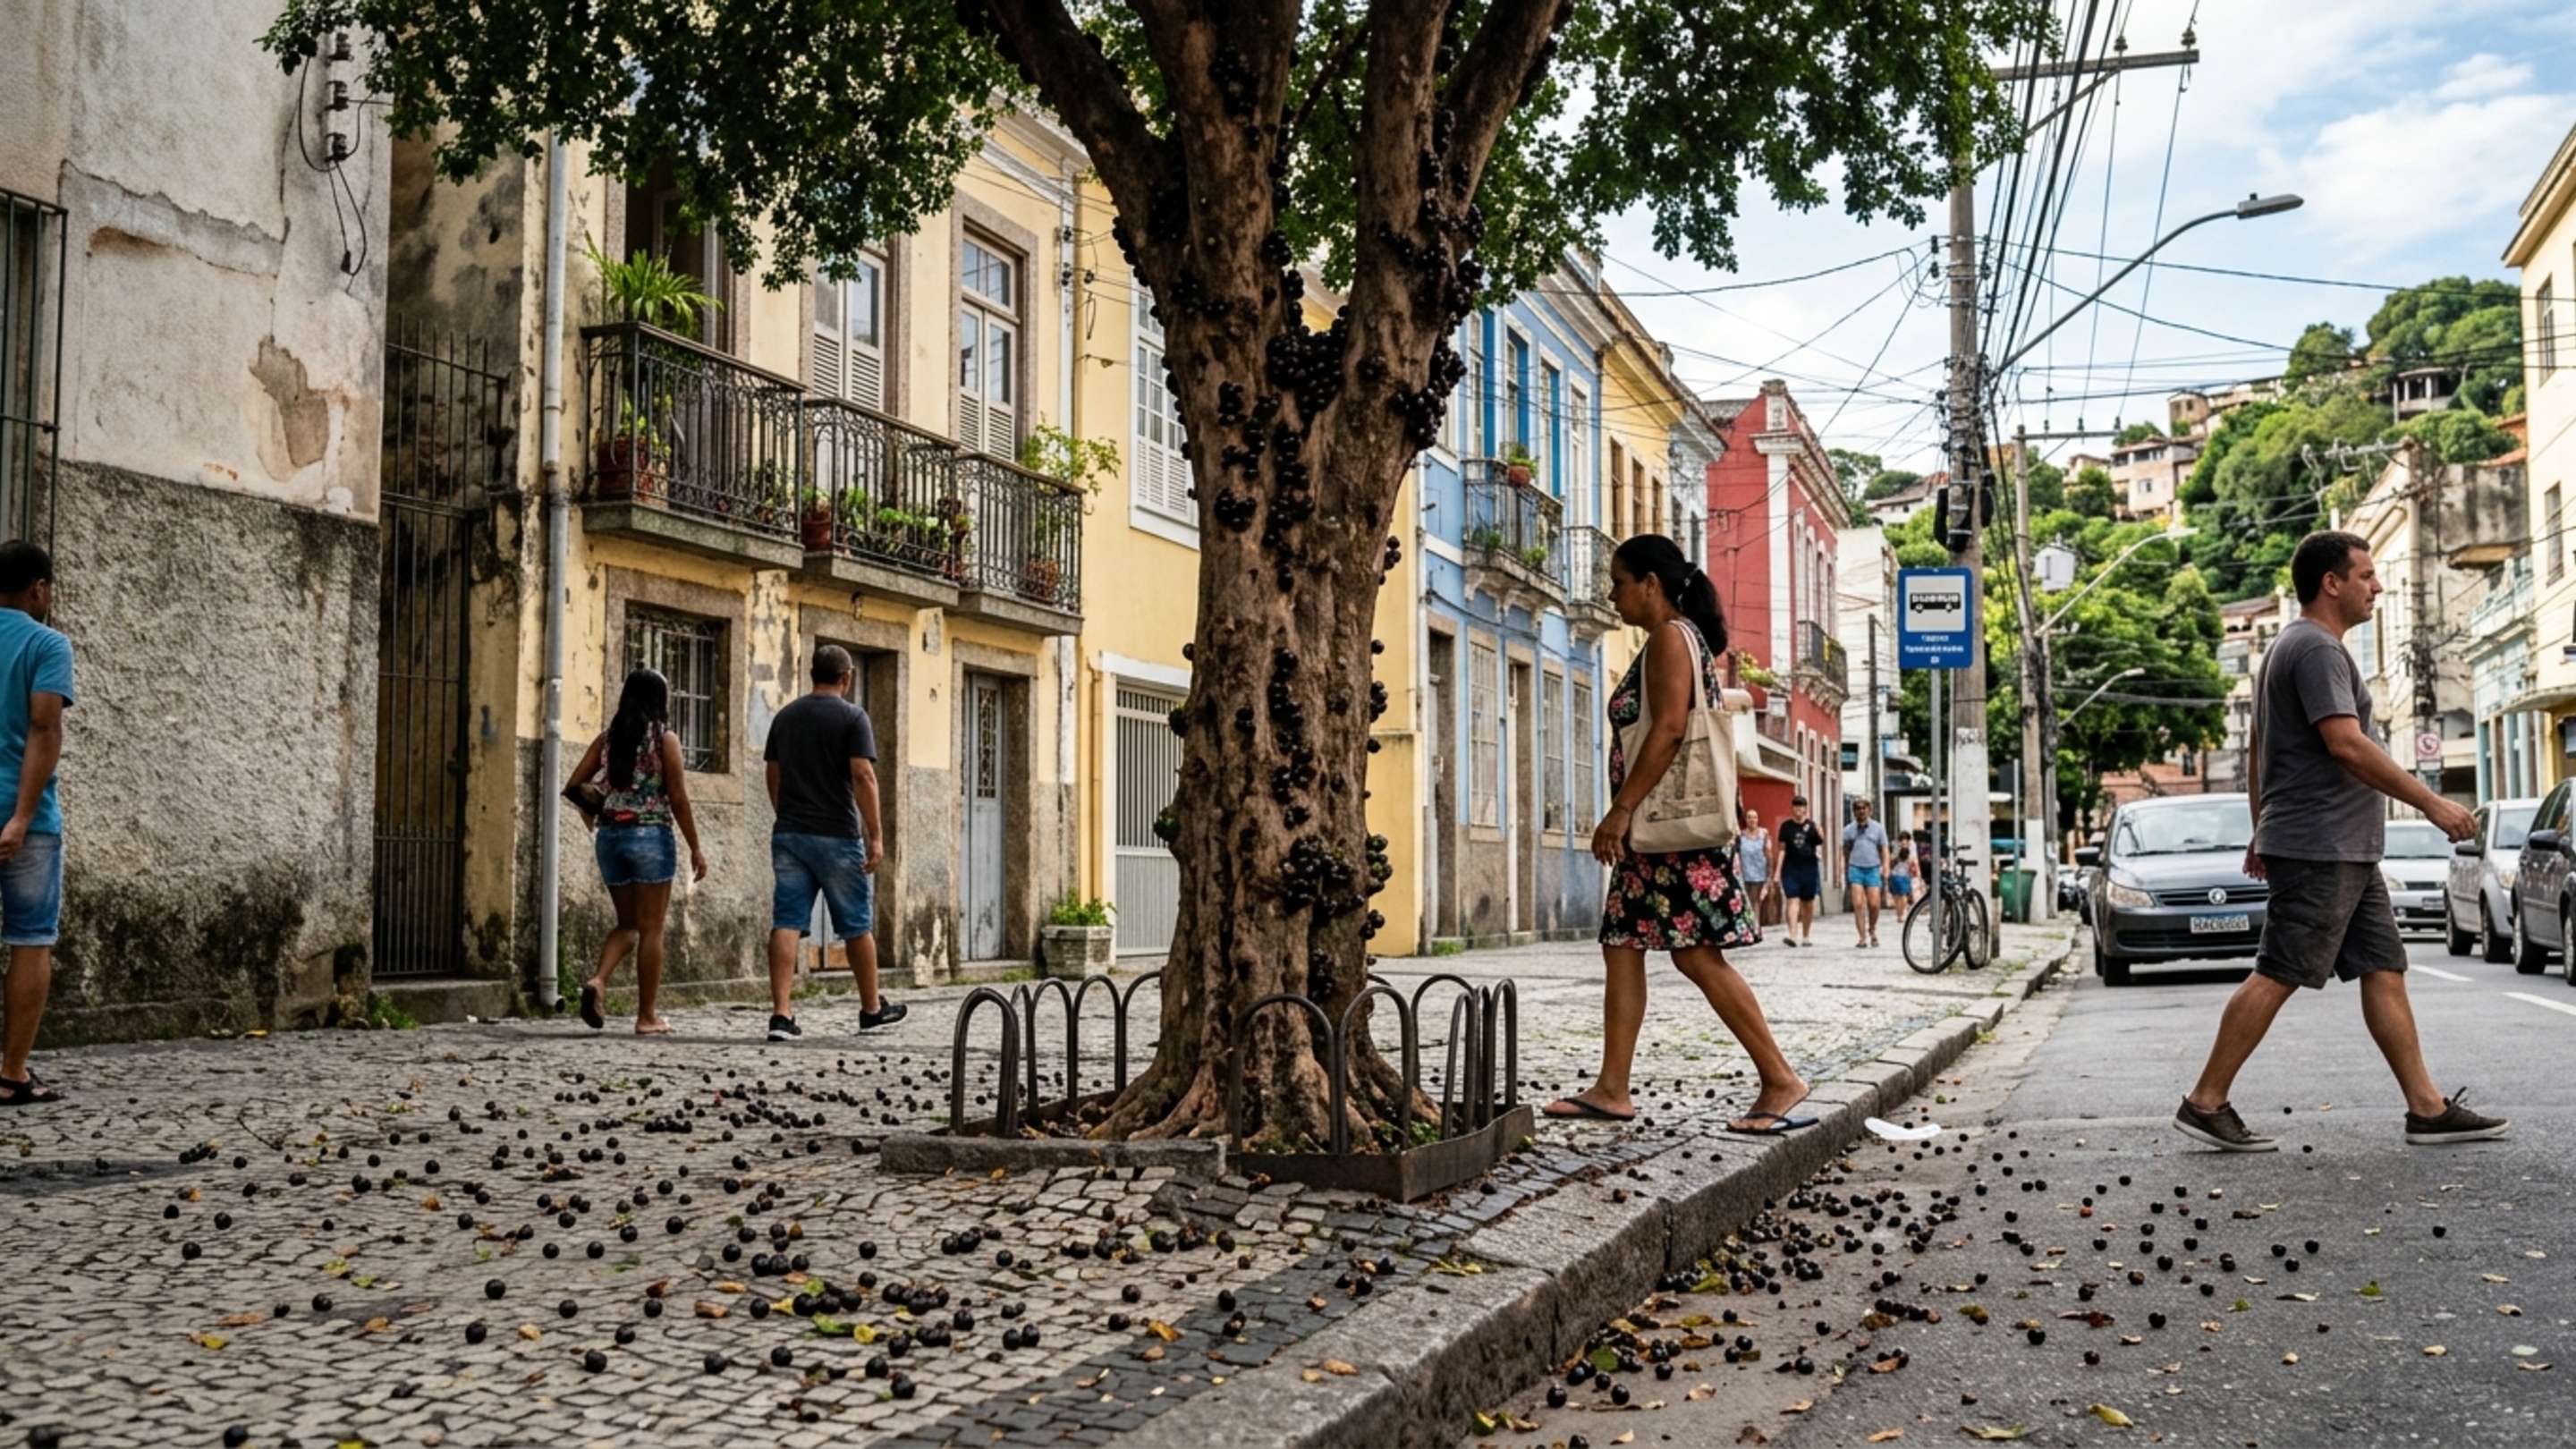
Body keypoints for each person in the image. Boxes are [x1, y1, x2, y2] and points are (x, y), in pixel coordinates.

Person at [2174, 531, 2505, 1152]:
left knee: (2384, 967)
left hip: (2341, 845)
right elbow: (2346, 744)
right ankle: (2206, 1100)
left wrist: (2261, 826)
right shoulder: (2316, 648)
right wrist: (2431, 802)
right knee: (2279, 972)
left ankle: (2427, 1108)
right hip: (2322, 844)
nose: (2376, 587)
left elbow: (2259, 750)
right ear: (2332, 583)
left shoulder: (2290, 647)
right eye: (2366, 575)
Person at [1545, 534, 1811, 1137]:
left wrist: (1621, 811)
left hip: (1669, 831)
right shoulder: (1680, 639)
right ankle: (1612, 1088)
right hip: (1656, 834)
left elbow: (1667, 731)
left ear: (1651, 584)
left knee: (1695, 953)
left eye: (1618, 583)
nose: (1611, 595)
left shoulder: (1670, 638)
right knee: (1622, 944)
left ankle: (1780, 1079)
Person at [765, 645, 903, 1040]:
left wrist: (785, 814)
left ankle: (781, 1015)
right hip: (837, 834)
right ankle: (871, 1009)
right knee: (856, 923)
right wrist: (876, 834)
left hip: (790, 833)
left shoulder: (785, 717)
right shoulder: (853, 717)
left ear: (812, 673)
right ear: (847, 677)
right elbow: (862, 775)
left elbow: (773, 774)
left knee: (787, 920)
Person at [569, 668, 707, 1035]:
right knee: (652, 930)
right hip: (651, 837)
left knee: (627, 924)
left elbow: (575, 784)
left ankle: (598, 980)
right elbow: (678, 798)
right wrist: (695, 847)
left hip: (610, 839)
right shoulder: (665, 739)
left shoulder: (608, 739)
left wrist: (600, 811)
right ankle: (647, 1017)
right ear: (659, 699)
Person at [0, 542, 70, 1106]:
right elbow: (44, 729)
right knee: (30, 939)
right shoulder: (47, 644)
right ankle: (11, 1075)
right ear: (38, 588)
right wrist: (21, 817)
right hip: (26, 821)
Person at [1770, 795, 1824, 946]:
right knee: (1792, 899)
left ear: (1805, 809)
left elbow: (1819, 842)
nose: (1798, 809)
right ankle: (1792, 935)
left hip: (1809, 867)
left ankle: (1806, 936)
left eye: (1801, 806)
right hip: (1791, 867)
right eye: (1796, 806)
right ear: (1792, 808)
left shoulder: (1812, 826)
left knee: (1808, 902)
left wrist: (1820, 833)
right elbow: (1782, 849)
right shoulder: (1786, 827)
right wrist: (1777, 872)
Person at [1843, 797, 1891, 947]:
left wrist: (1886, 866)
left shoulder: (1878, 828)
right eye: (1858, 809)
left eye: (1864, 808)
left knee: (1874, 904)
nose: (1861, 811)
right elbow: (1845, 850)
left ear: (1869, 810)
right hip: (1855, 868)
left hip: (1873, 868)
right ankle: (1862, 937)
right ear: (1854, 812)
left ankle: (1873, 929)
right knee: (1858, 904)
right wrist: (1844, 867)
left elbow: (1884, 848)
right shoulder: (1848, 830)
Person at [1734, 807, 1772, 941]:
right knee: (1747, 902)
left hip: (1759, 873)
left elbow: (1768, 855)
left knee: (1756, 902)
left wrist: (1769, 875)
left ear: (1758, 819)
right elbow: (1737, 854)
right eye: (1749, 817)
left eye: (1754, 817)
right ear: (1746, 820)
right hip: (1744, 873)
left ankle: (1756, 929)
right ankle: (1750, 929)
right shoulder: (1741, 836)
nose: (1752, 820)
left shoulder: (1764, 834)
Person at [1885, 833, 1917, 916]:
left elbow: (1913, 862)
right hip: (1895, 875)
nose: (1903, 843)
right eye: (1902, 841)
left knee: (1903, 895)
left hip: (1905, 876)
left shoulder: (1911, 849)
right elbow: (1890, 863)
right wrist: (1898, 858)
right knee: (1897, 896)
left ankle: (1903, 913)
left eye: (1906, 841)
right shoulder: (1896, 849)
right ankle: (1899, 914)